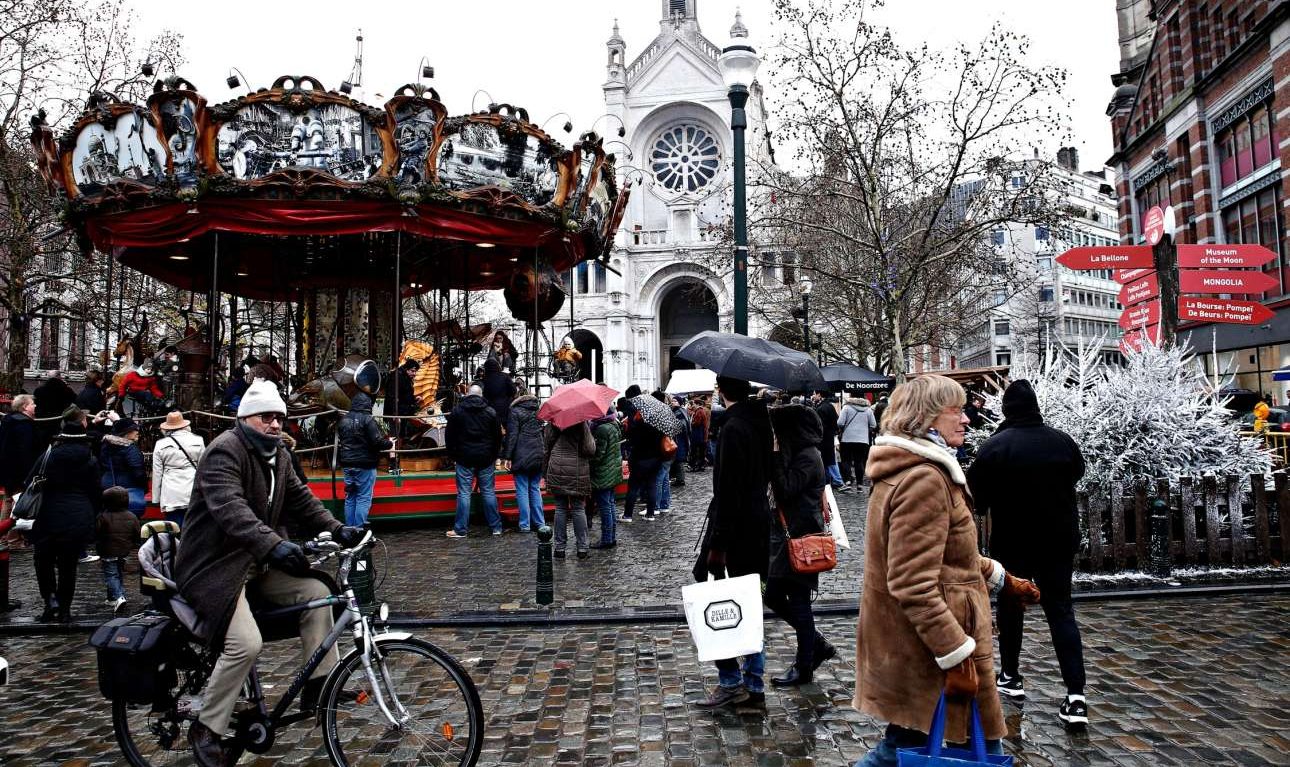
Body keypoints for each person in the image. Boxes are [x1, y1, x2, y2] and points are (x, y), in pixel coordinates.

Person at [853, 375, 1040, 766]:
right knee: (973, 751)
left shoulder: (919, 469)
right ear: (926, 417)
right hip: (933, 652)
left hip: (922, 647)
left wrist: (1002, 580)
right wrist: (956, 656)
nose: (967, 419)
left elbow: (948, 554)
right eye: (956, 410)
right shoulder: (924, 478)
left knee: (907, 747)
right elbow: (912, 582)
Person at [173, 380, 362, 765]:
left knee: (316, 594)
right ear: (245, 418)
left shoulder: (279, 456)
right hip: (215, 567)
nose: (275, 424)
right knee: (245, 643)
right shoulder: (223, 452)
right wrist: (274, 545)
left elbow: (302, 501)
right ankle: (206, 727)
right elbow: (232, 511)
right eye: (267, 417)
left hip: (255, 563)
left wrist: (338, 528)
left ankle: (318, 685)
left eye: (279, 417)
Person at [967, 379, 1088, 727]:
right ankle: (1076, 695)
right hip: (1059, 540)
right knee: (1061, 612)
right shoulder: (1062, 442)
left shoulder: (995, 447)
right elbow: (1077, 474)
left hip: (1014, 540)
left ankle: (1011, 675)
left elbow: (978, 499)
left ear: (1005, 410)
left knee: (1010, 607)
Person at [695, 376, 774, 709]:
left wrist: (717, 545)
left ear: (721, 389)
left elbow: (728, 491)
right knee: (751, 604)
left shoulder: (733, 428)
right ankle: (754, 682)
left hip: (735, 529)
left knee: (718, 600)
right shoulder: (762, 423)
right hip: (757, 523)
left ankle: (730, 680)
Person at [765, 403, 836, 687]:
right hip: (790, 537)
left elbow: (785, 490)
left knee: (799, 602)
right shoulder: (800, 454)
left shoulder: (808, 457)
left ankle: (805, 664)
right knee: (772, 595)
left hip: (802, 539)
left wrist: (774, 456)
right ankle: (815, 644)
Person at [29, 406, 101, 622]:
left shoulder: (49, 456)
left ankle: (50, 600)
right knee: (68, 565)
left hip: (49, 513)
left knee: (43, 559)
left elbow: (31, 482)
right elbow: (96, 492)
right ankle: (65, 609)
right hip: (78, 515)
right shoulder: (90, 460)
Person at [445, 384, 503, 538]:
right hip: (485, 457)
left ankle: (460, 529)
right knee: (488, 492)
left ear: (468, 394)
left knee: (464, 493)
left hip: (464, 457)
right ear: (481, 395)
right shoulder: (490, 412)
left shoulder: (457, 412)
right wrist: (494, 455)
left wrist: (454, 455)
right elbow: (498, 436)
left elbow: (449, 436)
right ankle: (496, 527)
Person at [337, 392, 393, 528]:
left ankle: (349, 529)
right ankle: (359, 529)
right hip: (365, 464)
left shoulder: (344, 419)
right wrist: (389, 443)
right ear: (368, 405)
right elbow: (377, 441)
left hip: (347, 463)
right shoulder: (367, 419)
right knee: (363, 497)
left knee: (350, 497)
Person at [543, 420, 597, 559]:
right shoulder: (581, 422)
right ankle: (582, 548)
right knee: (578, 508)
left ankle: (559, 548)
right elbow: (590, 449)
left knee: (560, 508)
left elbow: (546, 447)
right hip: (577, 468)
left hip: (556, 466)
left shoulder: (553, 422)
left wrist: (545, 472)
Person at [152, 411, 206, 528]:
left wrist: (156, 498)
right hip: (192, 488)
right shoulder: (198, 440)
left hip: (171, 492)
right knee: (193, 527)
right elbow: (203, 468)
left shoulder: (160, 444)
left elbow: (157, 473)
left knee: (174, 527)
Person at [504, 389, 546, 532]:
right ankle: (540, 523)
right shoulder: (539, 411)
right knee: (535, 488)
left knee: (522, 490)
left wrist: (507, 456)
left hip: (521, 454)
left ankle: (525, 524)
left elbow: (512, 436)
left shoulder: (515, 412)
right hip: (538, 453)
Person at [0, 394, 39, 540]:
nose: (35, 406)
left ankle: (5, 535)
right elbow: (26, 451)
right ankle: (13, 537)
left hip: (8, 469)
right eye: (32, 403)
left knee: (9, 501)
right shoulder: (24, 425)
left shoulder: (8, 421)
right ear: (24, 407)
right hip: (19, 472)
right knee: (19, 503)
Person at [97, 486, 139, 613]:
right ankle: (111, 598)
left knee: (111, 575)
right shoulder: (132, 516)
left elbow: (97, 534)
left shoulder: (103, 517)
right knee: (118, 574)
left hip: (108, 551)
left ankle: (119, 596)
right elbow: (137, 533)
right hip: (124, 551)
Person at [622, 399, 664, 522]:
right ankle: (650, 514)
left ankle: (628, 515)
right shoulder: (658, 425)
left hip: (639, 460)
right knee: (651, 485)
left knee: (633, 487)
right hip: (655, 459)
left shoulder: (637, 425)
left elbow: (630, 441)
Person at [589, 408, 623, 548]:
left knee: (605, 507)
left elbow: (599, 454)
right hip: (612, 471)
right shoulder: (613, 424)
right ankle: (611, 537)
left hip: (603, 473)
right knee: (610, 504)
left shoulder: (602, 429)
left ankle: (607, 539)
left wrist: (589, 462)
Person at [100, 418, 147, 514]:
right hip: (127, 488)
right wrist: (144, 486)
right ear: (125, 433)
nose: (137, 431)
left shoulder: (106, 445)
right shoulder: (131, 449)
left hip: (107, 484)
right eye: (134, 430)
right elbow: (138, 472)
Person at [837, 394, 879, 492]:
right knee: (859, 461)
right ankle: (859, 485)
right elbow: (873, 425)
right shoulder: (868, 410)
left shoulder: (847, 408)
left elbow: (840, 422)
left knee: (846, 460)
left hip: (847, 439)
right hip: (863, 440)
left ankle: (847, 482)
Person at [33, 371, 76, 446]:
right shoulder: (66, 390)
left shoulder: (39, 389)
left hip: (41, 420)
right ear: (59, 377)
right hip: (58, 418)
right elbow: (74, 399)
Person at [811, 392, 843, 489]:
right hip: (829, 437)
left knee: (828, 459)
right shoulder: (829, 406)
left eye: (814, 394)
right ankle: (829, 480)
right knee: (828, 459)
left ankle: (837, 480)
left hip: (824, 438)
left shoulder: (821, 408)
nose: (813, 396)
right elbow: (836, 421)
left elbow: (819, 425)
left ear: (819, 395)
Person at [481, 357, 516, 427]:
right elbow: (513, 390)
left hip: (490, 410)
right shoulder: (505, 376)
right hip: (505, 409)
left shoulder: (484, 380)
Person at [669, 395, 690, 487]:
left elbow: (682, 426)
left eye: (675, 401)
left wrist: (673, 426)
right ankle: (678, 478)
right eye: (672, 401)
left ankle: (681, 479)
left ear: (680, 403)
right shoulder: (674, 411)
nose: (673, 402)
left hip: (679, 439)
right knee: (677, 459)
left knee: (679, 459)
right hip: (677, 438)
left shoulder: (680, 412)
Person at [687, 397, 710, 472]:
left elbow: (697, 423)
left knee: (695, 450)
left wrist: (691, 423)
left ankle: (694, 465)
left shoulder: (699, 411)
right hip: (700, 434)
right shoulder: (700, 410)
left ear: (697, 404)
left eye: (694, 403)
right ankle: (700, 465)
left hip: (698, 434)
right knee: (701, 451)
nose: (693, 405)